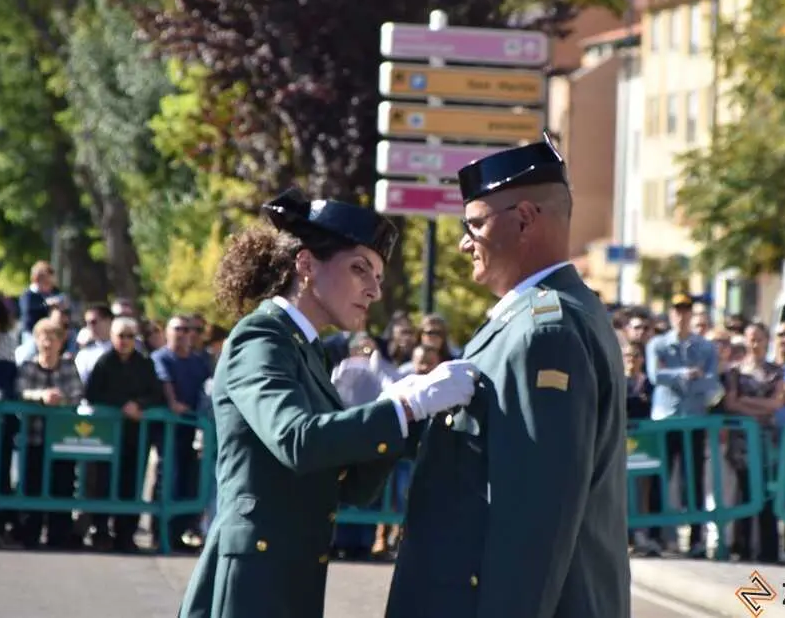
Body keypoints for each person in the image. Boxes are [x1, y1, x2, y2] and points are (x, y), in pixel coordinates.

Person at [177, 189, 476, 618]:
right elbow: (296, 440)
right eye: (360, 269)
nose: (373, 289)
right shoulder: (261, 336)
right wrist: (403, 407)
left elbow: (349, 483)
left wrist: (405, 414)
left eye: (377, 276)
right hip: (251, 586)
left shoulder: (306, 348)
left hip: (290, 577)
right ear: (306, 265)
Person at [384, 135, 630, 618]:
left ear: (523, 219)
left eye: (475, 225)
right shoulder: (543, 316)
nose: (463, 242)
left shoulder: (545, 331)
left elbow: (536, 519)